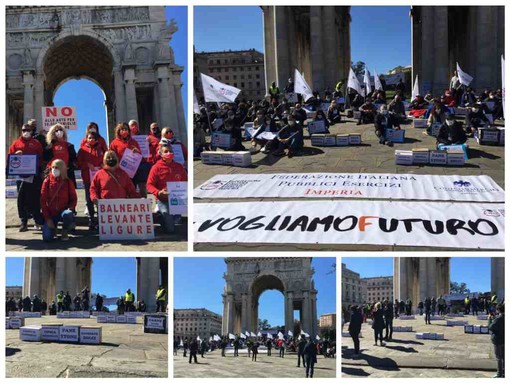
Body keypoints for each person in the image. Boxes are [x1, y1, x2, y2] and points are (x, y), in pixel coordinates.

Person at [8, 123, 44, 232]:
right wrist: (15, 155)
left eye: (28, 130)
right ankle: (23, 222)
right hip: (20, 176)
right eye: (24, 130)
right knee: (21, 199)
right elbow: (9, 159)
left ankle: (38, 221)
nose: (26, 131)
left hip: (33, 176)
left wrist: (36, 169)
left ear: (32, 131)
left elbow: (41, 158)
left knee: (34, 199)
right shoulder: (16, 143)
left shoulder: (36, 143)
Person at [146, 141, 188, 234]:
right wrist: (158, 192)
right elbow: (149, 185)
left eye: (170, 151)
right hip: (162, 200)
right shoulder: (156, 168)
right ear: (161, 154)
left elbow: (186, 182)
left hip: (177, 199)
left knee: (178, 224)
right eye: (166, 151)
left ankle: (166, 217)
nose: (169, 153)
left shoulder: (179, 167)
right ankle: (159, 214)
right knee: (170, 229)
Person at [40, 159, 77, 241]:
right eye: (52, 167)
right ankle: (54, 228)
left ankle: (65, 230)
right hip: (50, 214)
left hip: (63, 212)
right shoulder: (47, 181)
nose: (54, 169)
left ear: (62, 169)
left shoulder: (68, 182)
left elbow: (73, 198)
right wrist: (48, 219)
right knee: (47, 239)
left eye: (56, 167)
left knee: (68, 214)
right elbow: (43, 201)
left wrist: (71, 208)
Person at [77, 131, 105, 230]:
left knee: (100, 198)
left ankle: (101, 219)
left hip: (99, 178)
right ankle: (91, 219)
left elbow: (104, 160)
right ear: (86, 139)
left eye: (93, 138)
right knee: (89, 199)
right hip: (87, 178)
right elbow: (78, 163)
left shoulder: (100, 149)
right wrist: (86, 164)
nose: (91, 140)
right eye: (89, 138)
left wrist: (102, 164)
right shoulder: (82, 150)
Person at [109, 122, 143, 189]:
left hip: (132, 172)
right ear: (118, 131)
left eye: (126, 129)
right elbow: (111, 156)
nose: (124, 131)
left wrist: (137, 152)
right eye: (122, 129)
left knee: (132, 190)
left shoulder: (133, 142)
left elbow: (140, 156)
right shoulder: (114, 143)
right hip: (119, 172)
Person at [488, 303, 505, 378]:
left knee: (499, 357)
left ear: (498, 310)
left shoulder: (498, 319)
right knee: (504, 357)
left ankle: (499, 374)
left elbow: (491, 327)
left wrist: (490, 319)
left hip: (498, 340)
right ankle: (504, 372)